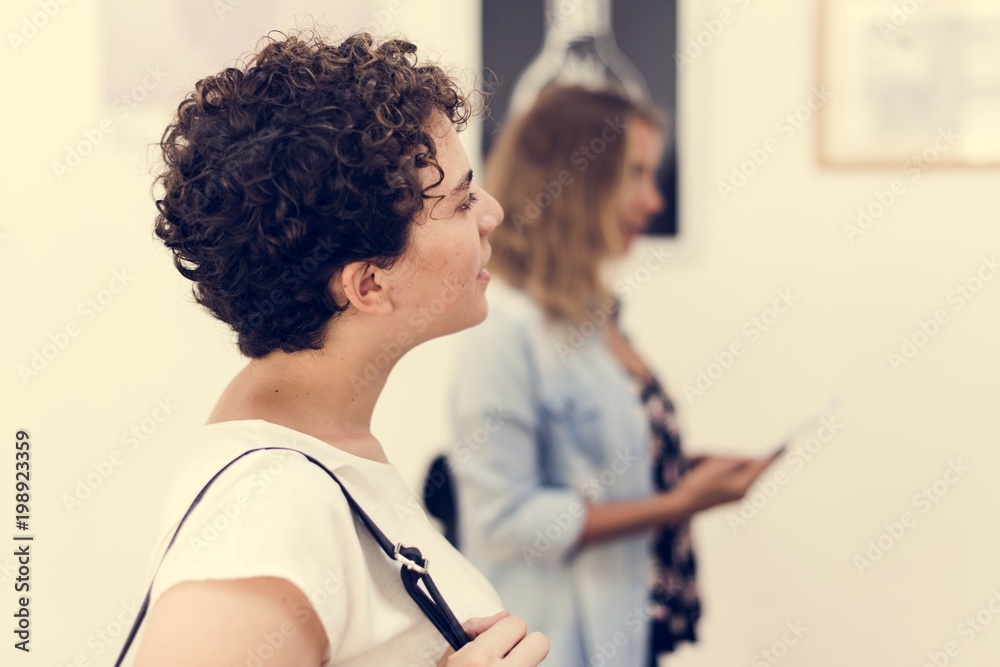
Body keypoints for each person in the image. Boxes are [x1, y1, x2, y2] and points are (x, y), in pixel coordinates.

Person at [124, 31, 549, 667]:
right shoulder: (269, 503)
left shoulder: (324, 454)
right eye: (462, 201)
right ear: (369, 284)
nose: (491, 213)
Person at [447, 85, 780, 667]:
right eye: (636, 175)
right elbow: (506, 523)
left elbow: (600, 466)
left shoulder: (597, 318)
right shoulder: (505, 332)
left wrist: (673, 469)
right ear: (573, 180)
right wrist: (675, 503)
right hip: (558, 640)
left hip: (635, 630)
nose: (654, 201)